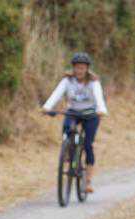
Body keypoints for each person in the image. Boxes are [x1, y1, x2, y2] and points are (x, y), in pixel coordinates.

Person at [41, 52, 108, 193]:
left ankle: (88, 181)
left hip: (91, 114)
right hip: (73, 112)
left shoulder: (93, 82)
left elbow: (99, 97)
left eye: (82, 68)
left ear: (87, 69)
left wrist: (101, 109)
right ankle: (68, 151)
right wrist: (47, 107)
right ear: (73, 68)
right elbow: (57, 94)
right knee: (67, 127)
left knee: (88, 144)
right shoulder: (67, 81)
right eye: (77, 68)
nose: (79, 71)